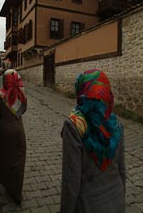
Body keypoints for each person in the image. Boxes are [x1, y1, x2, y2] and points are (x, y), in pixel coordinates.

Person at [60, 69, 125, 213]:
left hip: (88, 205)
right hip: (118, 200)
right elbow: (122, 171)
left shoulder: (74, 126)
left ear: (81, 93)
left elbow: (71, 183)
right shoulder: (116, 124)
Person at [0, 69, 27, 204]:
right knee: (18, 160)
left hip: (4, 132)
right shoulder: (21, 94)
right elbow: (23, 111)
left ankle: (1, 177)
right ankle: (16, 191)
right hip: (19, 132)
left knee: (2, 156)